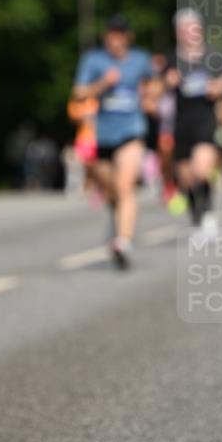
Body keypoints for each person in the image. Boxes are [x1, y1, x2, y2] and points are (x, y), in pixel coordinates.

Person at [71, 14, 153, 268]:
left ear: (128, 37)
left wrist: (153, 94)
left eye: (120, 34)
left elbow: (155, 83)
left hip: (132, 130)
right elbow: (79, 93)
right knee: (112, 190)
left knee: (126, 186)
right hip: (103, 134)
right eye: (110, 34)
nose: (115, 39)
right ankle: (118, 218)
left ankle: (123, 241)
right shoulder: (93, 60)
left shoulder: (141, 59)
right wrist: (103, 83)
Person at [164, 9, 222, 234]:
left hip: (205, 119)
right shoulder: (171, 58)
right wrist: (167, 82)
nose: (188, 33)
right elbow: (154, 88)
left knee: (201, 170)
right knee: (186, 176)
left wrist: (220, 86)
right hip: (181, 122)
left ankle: (208, 211)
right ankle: (196, 211)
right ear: (177, 32)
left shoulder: (212, 56)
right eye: (183, 29)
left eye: (192, 28)